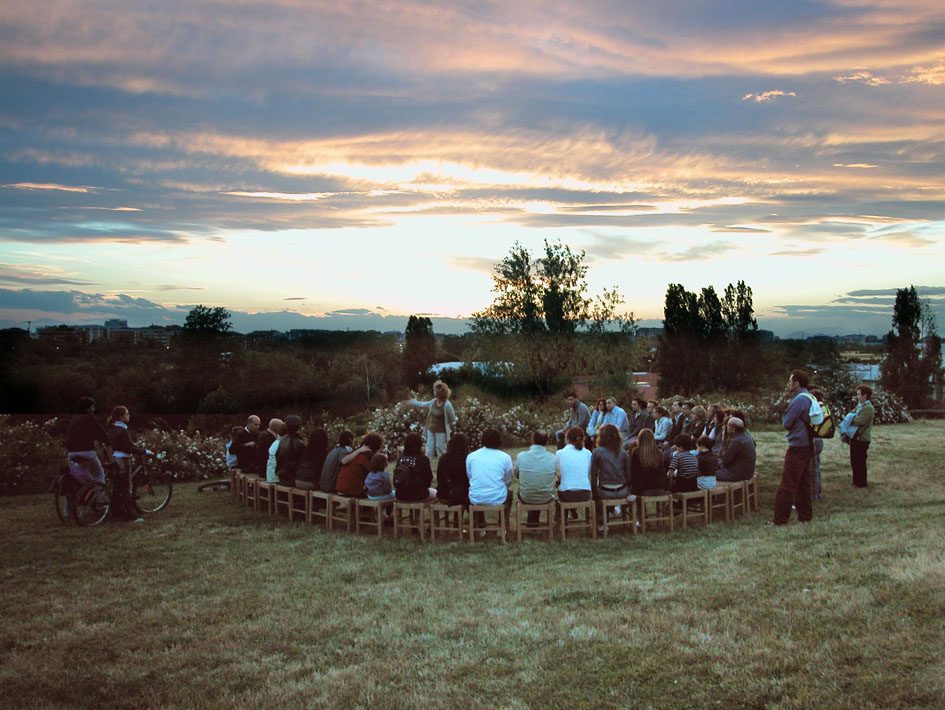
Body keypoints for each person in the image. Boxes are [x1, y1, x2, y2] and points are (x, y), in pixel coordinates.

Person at [772, 370, 815, 525]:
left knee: (787, 483)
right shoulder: (810, 396)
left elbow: (786, 423)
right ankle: (805, 516)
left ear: (797, 383)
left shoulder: (799, 400)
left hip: (797, 445)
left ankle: (780, 519)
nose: (788, 384)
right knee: (804, 483)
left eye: (790, 381)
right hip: (808, 444)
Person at [106, 405, 153, 523]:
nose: (129, 415)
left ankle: (116, 512)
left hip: (116, 458)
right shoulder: (123, 430)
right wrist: (145, 451)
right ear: (121, 417)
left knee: (118, 487)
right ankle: (129, 516)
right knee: (126, 488)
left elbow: (123, 444)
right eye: (127, 414)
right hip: (123, 459)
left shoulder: (113, 428)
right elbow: (128, 447)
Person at [403, 380, 458, 459]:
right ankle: (426, 466)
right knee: (429, 448)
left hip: (441, 431)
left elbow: (453, 419)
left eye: (435, 390)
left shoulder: (447, 405)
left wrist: (451, 427)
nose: (434, 392)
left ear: (439, 393)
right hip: (431, 429)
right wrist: (411, 402)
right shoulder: (433, 402)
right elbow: (422, 404)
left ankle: (442, 466)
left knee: (440, 449)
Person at [467, 428, 513, 519]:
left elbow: (470, 476)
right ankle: (502, 525)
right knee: (509, 493)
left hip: (476, 497)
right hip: (498, 498)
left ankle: (480, 526)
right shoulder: (505, 457)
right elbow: (508, 478)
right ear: (499, 441)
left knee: (477, 489)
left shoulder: (471, 456)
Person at [514, 430, 557, 525]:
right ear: (547, 442)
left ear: (532, 440)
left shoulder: (521, 456)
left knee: (532, 488)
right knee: (538, 486)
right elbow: (552, 475)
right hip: (546, 496)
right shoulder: (552, 458)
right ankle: (533, 524)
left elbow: (517, 474)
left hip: (526, 496)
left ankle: (532, 524)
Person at [64, 396, 110, 486]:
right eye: (92, 407)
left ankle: (85, 491)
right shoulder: (89, 418)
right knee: (99, 473)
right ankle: (100, 498)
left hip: (71, 453)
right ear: (87, 409)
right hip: (86, 451)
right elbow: (102, 434)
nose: (94, 409)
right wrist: (109, 442)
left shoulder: (74, 419)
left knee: (80, 475)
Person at [591, 424, 632, 512]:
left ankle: (602, 523)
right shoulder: (624, 453)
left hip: (605, 491)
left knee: (597, 498)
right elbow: (628, 477)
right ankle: (617, 508)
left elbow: (593, 476)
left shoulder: (597, 452)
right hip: (622, 491)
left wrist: (594, 493)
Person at [335, 432, 384, 497]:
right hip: (352, 490)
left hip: (340, 488)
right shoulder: (367, 456)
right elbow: (375, 475)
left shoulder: (354, 453)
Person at [395, 432, 436, 502]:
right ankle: (422, 512)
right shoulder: (423, 459)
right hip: (419, 495)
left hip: (400, 494)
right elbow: (429, 478)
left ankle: (404, 513)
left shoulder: (400, 459)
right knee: (436, 493)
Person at [555, 426, 592, 504]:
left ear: (567, 439)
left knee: (561, 483)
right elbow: (588, 473)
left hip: (566, 493)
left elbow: (558, 472)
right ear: (583, 439)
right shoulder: (588, 453)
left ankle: (561, 515)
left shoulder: (560, 453)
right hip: (585, 493)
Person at [848, 384, 876, 488]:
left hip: (862, 439)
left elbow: (859, 421)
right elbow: (851, 415)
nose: (857, 396)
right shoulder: (859, 406)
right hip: (855, 437)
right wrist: (851, 417)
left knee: (860, 461)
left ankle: (862, 483)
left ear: (865, 396)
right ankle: (856, 481)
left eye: (859, 394)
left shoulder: (868, 408)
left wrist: (851, 418)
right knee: (854, 461)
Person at [627, 428, 669, 496]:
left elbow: (635, 473)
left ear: (639, 439)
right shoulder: (659, 453)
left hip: (643, 489)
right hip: (659, 487)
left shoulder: (636, 452)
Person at [716, 417, 756, 482]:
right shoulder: (747, 436)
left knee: (708, 473)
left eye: (728, 426)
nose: (726, 428)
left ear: (733, 428)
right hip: (747, 472)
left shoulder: (736, 441)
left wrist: (723, 442)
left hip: (737, 474)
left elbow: (725, 460)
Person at [435, 433, 470, 506]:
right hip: (463, 494)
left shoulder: (443, 458)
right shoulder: (468, 458)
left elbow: (439, 477)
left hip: (444, 494)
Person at [274, 415, 305, 487]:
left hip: (281, 476)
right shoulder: (299, 443)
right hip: (291, 478)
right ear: (298, 427)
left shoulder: (281, 440)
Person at [808, 388, 827, 500]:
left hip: (814, 440)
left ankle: (814, 495)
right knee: (817, 467)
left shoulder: (816, 409)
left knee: (813, 469)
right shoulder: (823, 408)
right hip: (819, 440)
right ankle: (818, 492)